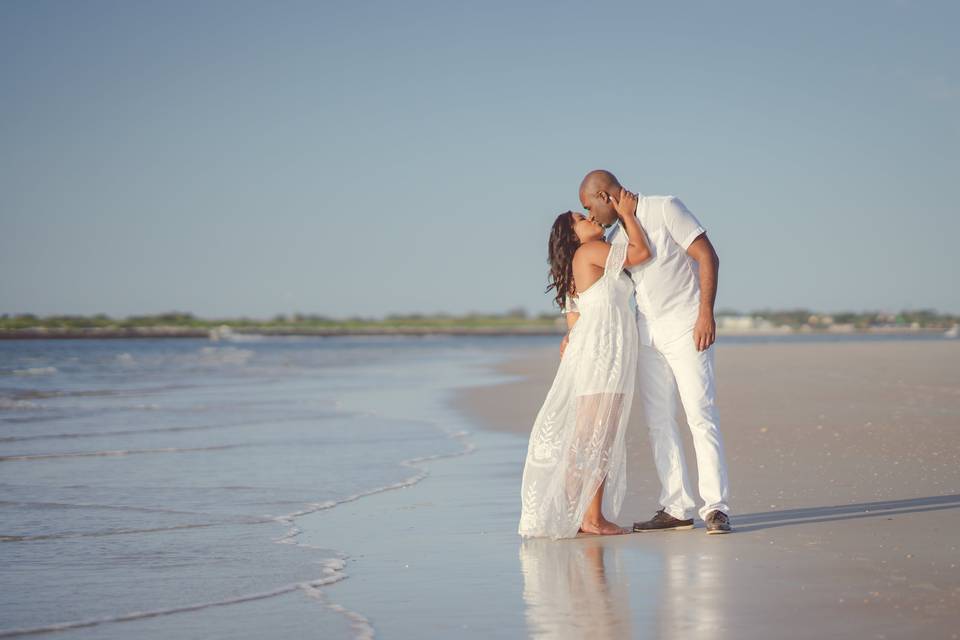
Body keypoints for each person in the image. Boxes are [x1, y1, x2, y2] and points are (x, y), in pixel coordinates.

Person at [565, 169, 732, 534]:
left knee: (700, 414)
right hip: (646, 333)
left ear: (605, 196)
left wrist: (706, 313)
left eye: (588, 206)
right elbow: (588, 286)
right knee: (659, 421)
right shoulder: (614, 233)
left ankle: (715, 507)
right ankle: (676, 506)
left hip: (687, 326)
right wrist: (571, 327)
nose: (589, 215)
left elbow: (708, 256)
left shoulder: (665, 207)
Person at [518, 189, 651, 539]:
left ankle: (578, 512)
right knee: (594, 438)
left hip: (602, 350)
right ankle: (586, 516)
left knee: (595, 437)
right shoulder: (590, 251)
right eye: (580, 220)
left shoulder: (588, 257)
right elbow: (641, 253)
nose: (589, 217)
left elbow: (575, 317)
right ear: (572, 236)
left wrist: (572, 342)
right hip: (603, 353)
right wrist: (628, 215)